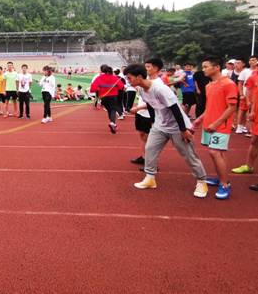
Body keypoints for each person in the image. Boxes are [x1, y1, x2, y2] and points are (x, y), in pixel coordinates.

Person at [123, 64, 208, 198]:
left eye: (129, 78)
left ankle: (202, 181)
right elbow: (151, 105)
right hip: (160, 125)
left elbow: (175, 109)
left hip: (178, 126)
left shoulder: (160, 89)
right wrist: (153, 122)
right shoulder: (142, 90)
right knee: (150, 149)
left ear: (139, 77)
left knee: (188, 154)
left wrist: (183, 130)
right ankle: (150, 178)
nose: (128, 81)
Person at [193, 57, 239, 200]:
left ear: (217, 67)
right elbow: (210, 106)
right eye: (203, 67)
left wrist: (216, 123)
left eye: (206, 66)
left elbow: (232, 107)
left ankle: (225, 184)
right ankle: (221, 178)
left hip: (220, 126)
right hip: (209, 124)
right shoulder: (209, 85)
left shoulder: (228, 84)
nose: (203, 69)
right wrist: (199, 119)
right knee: (218, 153)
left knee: (214, 152)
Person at [90, 65, 124, 134]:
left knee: (109, 110)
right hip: (113, 96)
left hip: (104, 97)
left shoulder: (99, 78)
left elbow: (93, 89)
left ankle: (113, 123)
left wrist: (99, 89)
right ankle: (112, 123)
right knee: (113, 109)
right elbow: (121, 87)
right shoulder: (114, 77)